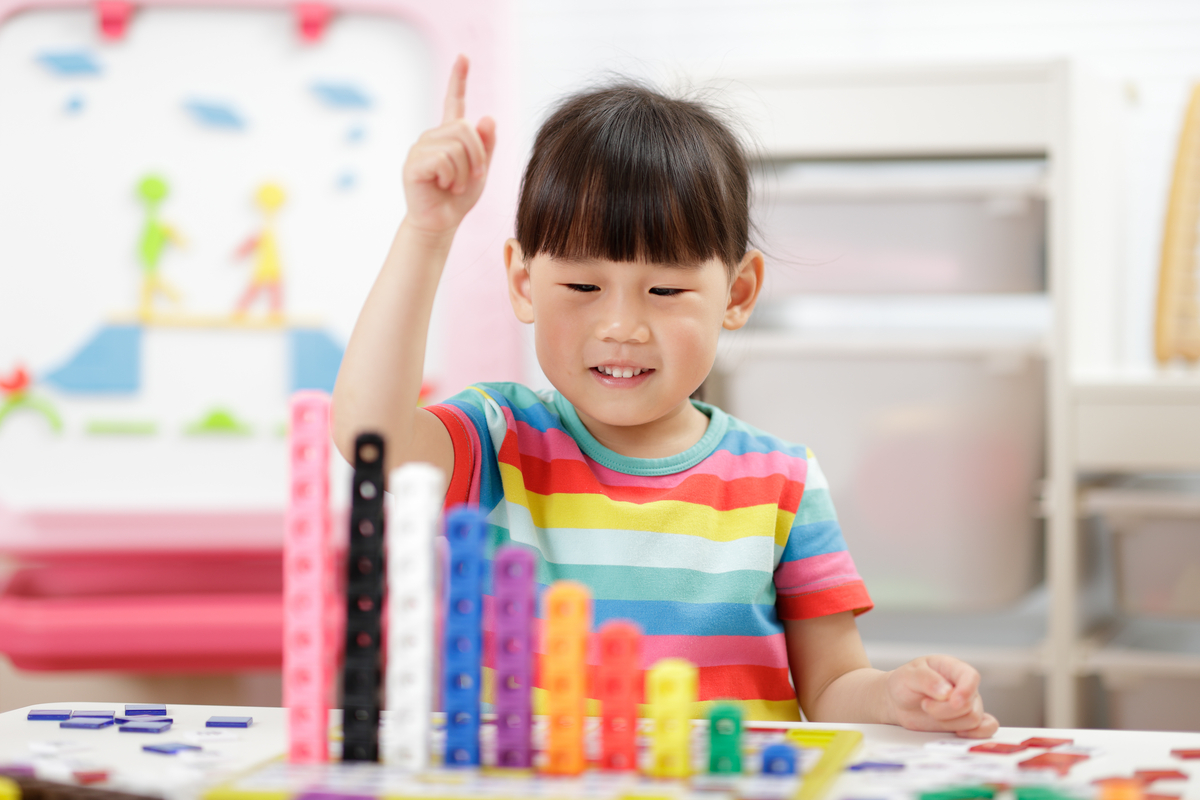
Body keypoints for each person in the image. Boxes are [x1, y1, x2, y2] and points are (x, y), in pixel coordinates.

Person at [332, 56, 998, 737]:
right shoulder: (500, 442)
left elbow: (831, 685)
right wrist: (427, 232)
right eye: (583, 288)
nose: (622, 326)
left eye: (666, 290)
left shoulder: (782, 481)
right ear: (525, 283)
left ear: (736, 294)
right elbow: (368, 437)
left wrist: (893, 697)